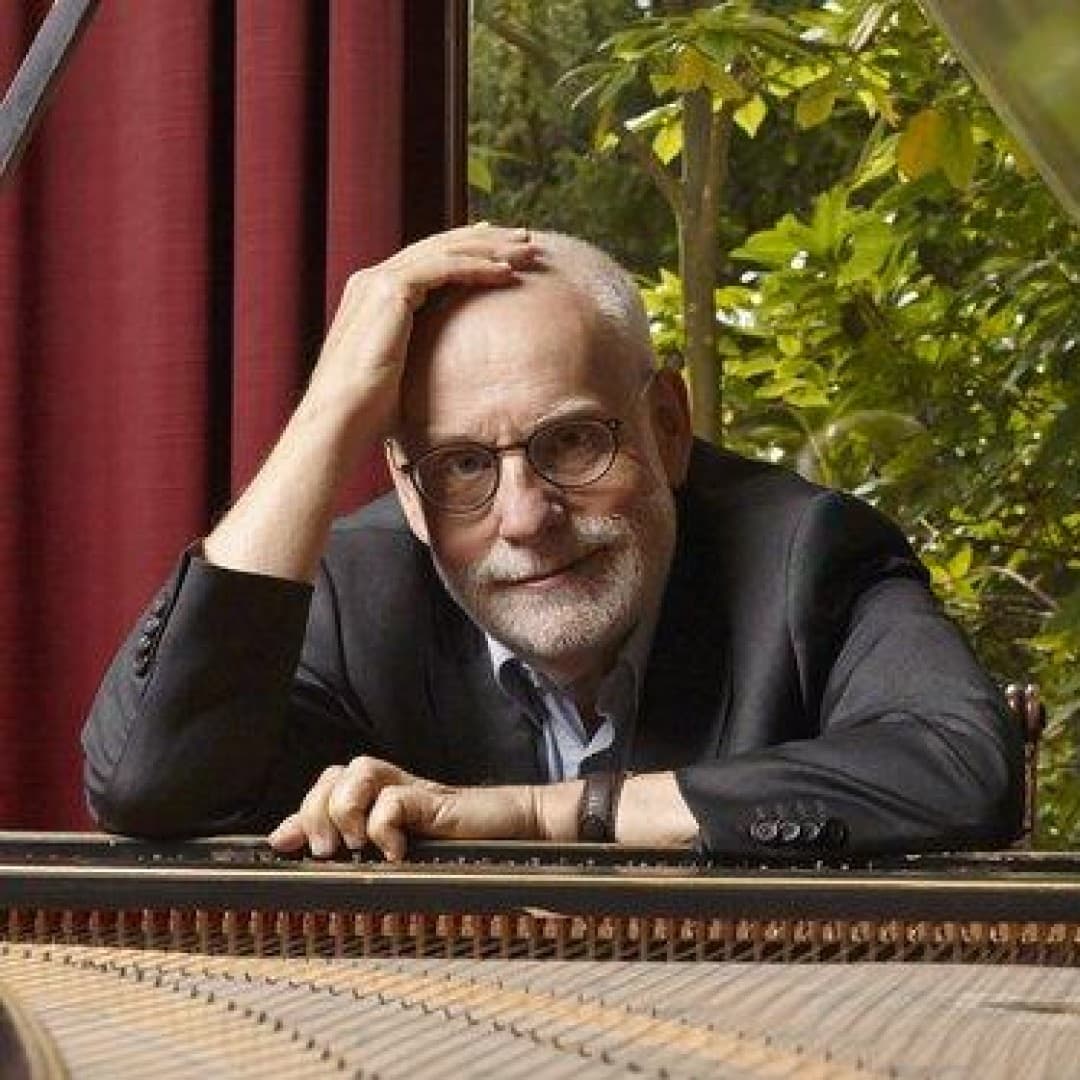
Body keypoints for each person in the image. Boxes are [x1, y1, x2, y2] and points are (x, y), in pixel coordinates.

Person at [82, 225, 1023, 861]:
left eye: (572, 442)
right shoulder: (352, 593)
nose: (526, 517)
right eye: (460, 466)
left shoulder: (806, 555)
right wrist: (329, 411)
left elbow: (961, 768)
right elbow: (146, 786)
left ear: (667, 426)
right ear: (406, 492)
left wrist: (545, 813)